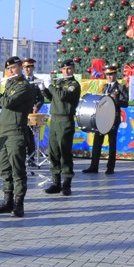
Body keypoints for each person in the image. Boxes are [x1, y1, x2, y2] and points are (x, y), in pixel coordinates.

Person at [0, 56, 39, 217]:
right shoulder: (10, 84)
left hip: (16, 132)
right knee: (4, 168)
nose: (11, 71)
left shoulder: (24, 86)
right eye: (8, 69)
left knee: (17, 169)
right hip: (4, 131)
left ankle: (19, 203)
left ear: (21, 68)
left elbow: (8, 103)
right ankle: (7, 200)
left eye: (14, 68)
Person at [41, 59, 81, 196]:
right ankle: (56, 182)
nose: (66, 71)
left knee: (65, 153)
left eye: (69, 69)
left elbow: (61, 96)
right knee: (53, 152)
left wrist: (50, 86)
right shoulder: (59, 83)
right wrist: (43, 88)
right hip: (54, 120)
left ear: (73, 70)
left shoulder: (74, 84)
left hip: (65, 120)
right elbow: (51, 98)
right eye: (64, 69)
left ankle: (67, 183)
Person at [85, 64, 127, 174]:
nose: (109, 76)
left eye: (111, 74)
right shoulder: (105, 87)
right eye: (107, 74)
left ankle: (110, 168)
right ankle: (94, 166)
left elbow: (125, 103)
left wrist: (116, 99)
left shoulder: (121, 87)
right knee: (97, 142)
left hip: (113, 118)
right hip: (102, 118)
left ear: (115, 74)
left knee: (112, 143)